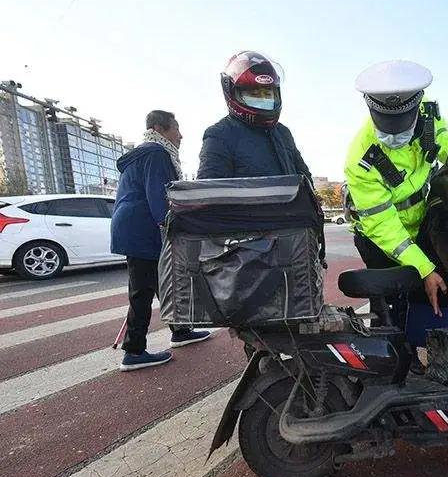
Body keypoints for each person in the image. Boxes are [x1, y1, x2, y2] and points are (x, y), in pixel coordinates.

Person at [344, 60, 448, 317]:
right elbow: (382, 227)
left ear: (416, 109)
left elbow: (438, 132)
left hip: (419, 221)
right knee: (389, 304)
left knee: (428, 291)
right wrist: (423, 268)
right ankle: (394, 348)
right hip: (381, 239)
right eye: (385, 123)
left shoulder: (427, 115)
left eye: (401, 123)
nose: (394, 134)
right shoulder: (361, 160)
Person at [111, 111, 211, 371]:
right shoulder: (156, 153)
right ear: (159, 128)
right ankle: (133, 351)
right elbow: (160, 198)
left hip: (136, 226)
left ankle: (181, 330)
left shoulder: (146, 153)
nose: (180, 134)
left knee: (166, 281)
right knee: (142, 291)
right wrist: (177, 225)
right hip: (141, 230)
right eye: (176, 128)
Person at [197, 51, 312, 181]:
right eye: (255, 93)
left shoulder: (283, 133)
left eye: (268, 93)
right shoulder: (219, 135)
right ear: (232, 92)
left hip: (290, 202)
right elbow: (208, 191)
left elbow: (305, 180)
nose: (263, 99)